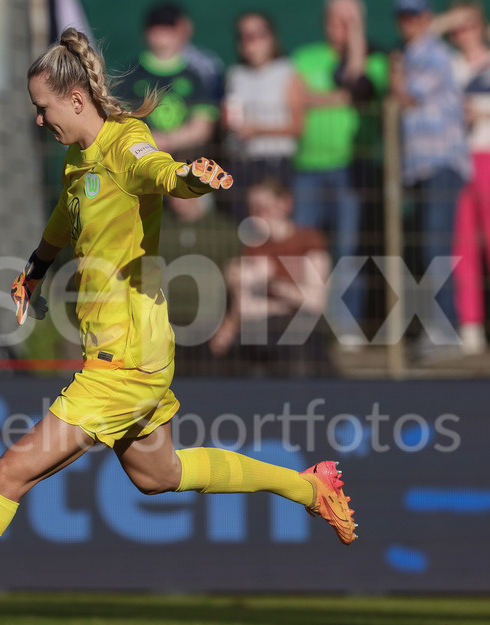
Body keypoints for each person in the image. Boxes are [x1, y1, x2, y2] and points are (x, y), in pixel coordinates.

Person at [0, 28, 357, 625]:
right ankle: (309, 488)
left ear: (75, 99)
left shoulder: (124, 142)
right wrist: (34, 270)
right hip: (136, 355)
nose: (37, 118)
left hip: (123, 362)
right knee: (158, 476)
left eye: (42, 107)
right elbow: (64, 219)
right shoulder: (77, 162)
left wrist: (192, 178)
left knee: (9, 473)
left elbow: (158, 172)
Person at [291, 0, 390, 349]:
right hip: (308, 167)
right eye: (337, 19)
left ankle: (346, 326)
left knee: (349, 247)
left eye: (350, 21)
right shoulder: (304, 57)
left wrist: (323, 96)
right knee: (304, 248)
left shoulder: (376, 60)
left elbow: (356, 84)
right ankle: (306, 326)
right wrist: (339, 98)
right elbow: (298, 100)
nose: (342, 27)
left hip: (354, 166)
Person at [431, 2, 490, 356]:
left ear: (481, 26)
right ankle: (469, 326)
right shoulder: (445, 65)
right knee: (462, 245)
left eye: (469, 26)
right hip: (456, 161)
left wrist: (482, 112)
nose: (463, 34)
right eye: (457, 28)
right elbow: (418, 43)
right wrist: (446, 21)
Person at [390, 0, 472, 361]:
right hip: (421, 166)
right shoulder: (415, 52)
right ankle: (436, 328)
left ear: (427, 17)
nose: (408, 22)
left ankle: (445, 330)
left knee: (434, 247)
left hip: (441, 163)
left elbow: (405, 95)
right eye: (402, 16)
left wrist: (394, 68)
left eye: (415, 15)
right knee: (425, 247)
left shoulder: (432, 54)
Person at [209, 177, 335, 376]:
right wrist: (286, 302)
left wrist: (271, 281)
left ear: (285, 204)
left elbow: (315, 302)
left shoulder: (309, 240)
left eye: (264, 207)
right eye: (253, 208)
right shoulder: (252, 247)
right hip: (264, 330)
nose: (257, 214)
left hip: (302, 330)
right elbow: (246, 308)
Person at [120, 3, 219, 222]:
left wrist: (169, 140)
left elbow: (203, 127)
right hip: (143, 163)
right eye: (157, 28)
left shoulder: (195, 76)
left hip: (186, 160)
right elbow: (120, 123)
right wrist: (151, 142)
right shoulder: (130, 75)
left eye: (168, 28)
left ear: (180, 31)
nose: (162, 35)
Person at [221, 12, 305, 222]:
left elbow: (297, 126)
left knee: (274, 226)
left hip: (274, 165)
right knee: (244, 226)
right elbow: (229, 119)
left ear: (271, 38)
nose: (251, 42)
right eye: (244, 36)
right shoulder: (235, 75)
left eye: (257, 35)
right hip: (240, 164)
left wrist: (257, 130)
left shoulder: (287, 72)